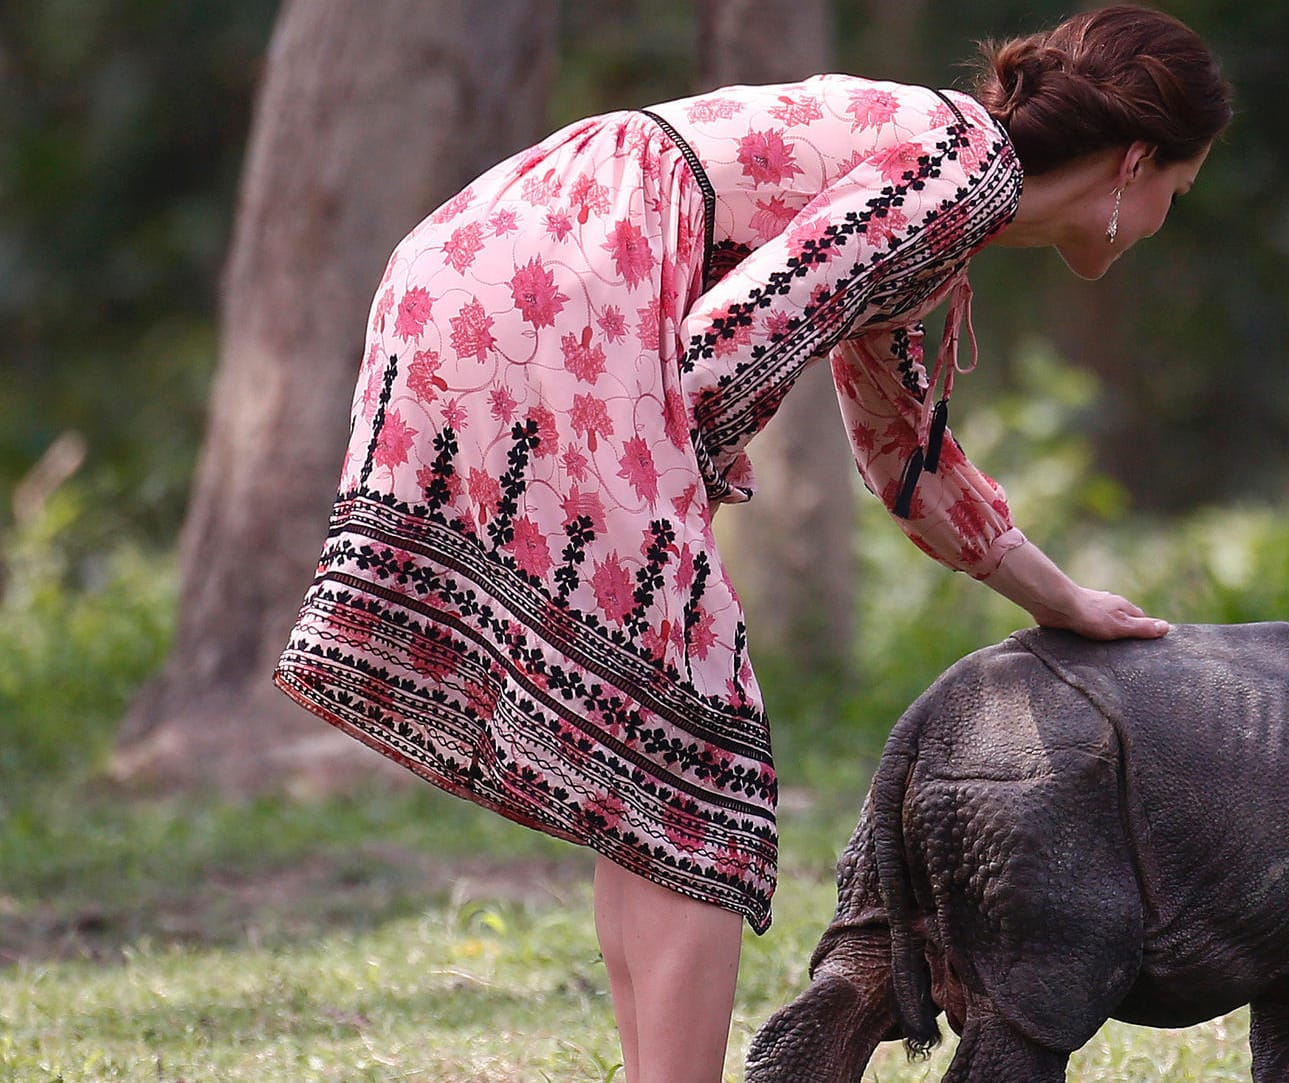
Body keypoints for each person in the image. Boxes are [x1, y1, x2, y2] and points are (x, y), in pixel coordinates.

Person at [274, 4, 1230, 1079]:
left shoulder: (948, 177)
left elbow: (901, 449)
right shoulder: (957, 176)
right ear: (1133, 164)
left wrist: (1062, 603)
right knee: (698, 766)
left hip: (493, 267)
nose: (1159, 223)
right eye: (1174, 198)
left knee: (650, 754)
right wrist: (692, 498)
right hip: (561, 289)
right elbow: (736, 342)